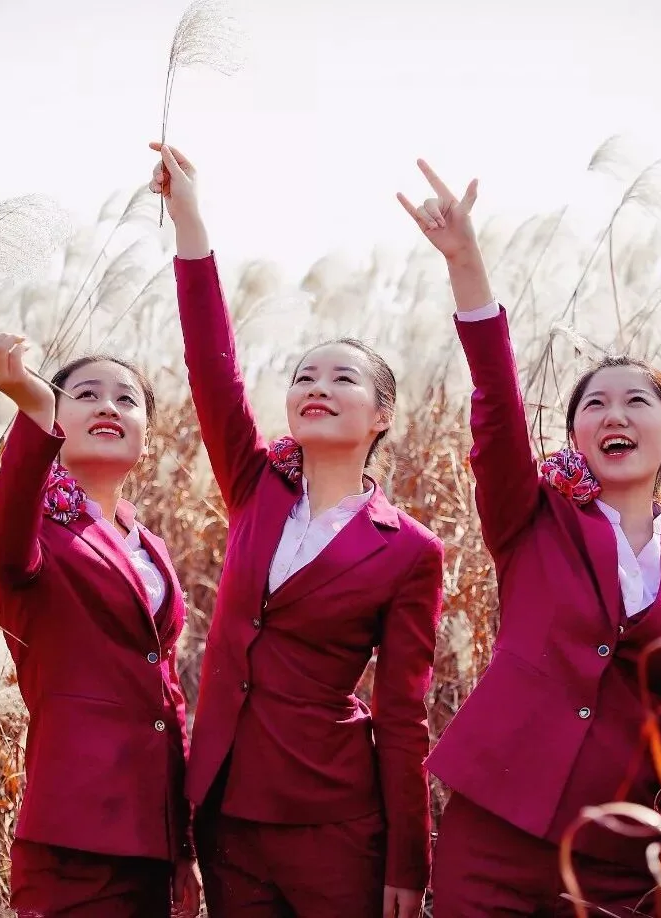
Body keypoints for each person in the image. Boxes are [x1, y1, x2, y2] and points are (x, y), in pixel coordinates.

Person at [397, 161, 661, 917]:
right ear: (576, 435)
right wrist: (465, 261)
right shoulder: (531, 516)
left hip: (616, 861)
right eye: (595, 404)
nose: (615, 414)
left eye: (637, 401)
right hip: (491, 835)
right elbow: (496, 402)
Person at [150, 142, 444, 918]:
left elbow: (404, 714)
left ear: (381, 416)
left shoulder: (410, 552)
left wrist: (409, 863)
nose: (317, 386)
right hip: (225, 811)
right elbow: (213, 369)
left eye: (342, 378)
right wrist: (190, 222)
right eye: (304, 376)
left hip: (334, 820)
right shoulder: (255, 488)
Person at [0, 336, 201, 918]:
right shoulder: (36, 528)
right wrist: (31, 413)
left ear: (147, 438)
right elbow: (2, 555)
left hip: (150, 837)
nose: (108, 406)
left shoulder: (151, 547)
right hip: (73, 832)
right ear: (56, 418)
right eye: (87, 394)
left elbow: (168, 693)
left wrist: (183, 843)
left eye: (127, 399)